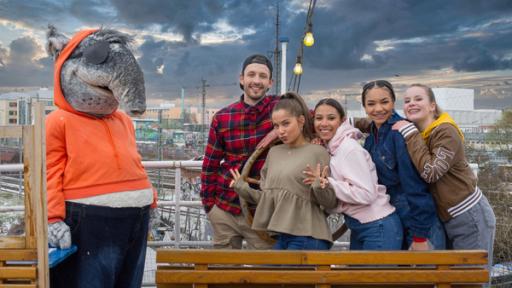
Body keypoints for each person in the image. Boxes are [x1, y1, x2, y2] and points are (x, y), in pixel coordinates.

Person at [45, 26, 156, 287]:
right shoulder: (58, 121)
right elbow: (49, 170)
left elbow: (134, 161)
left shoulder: (123, 120)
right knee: (92, 279)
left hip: (136, 215)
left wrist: (151, 199)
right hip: (89, 214)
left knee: (129, 280)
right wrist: (53, 218)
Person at [392, 84, 495, 265]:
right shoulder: (423, 133)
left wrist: (409, 133)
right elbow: (383, 119)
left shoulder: (445, 131)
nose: (411, 104)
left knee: (472, 280)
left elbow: (431, 172)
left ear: (432, 105)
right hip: (448, 217)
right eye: (407, 101)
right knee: (453, 280)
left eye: (418, 99)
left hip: (469, 215)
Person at [230, 92, 338, 250]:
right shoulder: (274, 153)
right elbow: (269, 198)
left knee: (279, 274)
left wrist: (319, 186)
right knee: (271, 273)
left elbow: (330, 202)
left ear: (301, 121)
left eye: (286, 124)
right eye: (276, 126)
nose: (280, 131)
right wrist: (243, 189)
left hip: (309, 235)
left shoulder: (318, 152)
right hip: (281, 236)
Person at [200, 54, 279, 249]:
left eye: (262, 76)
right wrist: (210, 206)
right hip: (225, 209)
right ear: (242, 79)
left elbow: (320, 118)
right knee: (223, 274)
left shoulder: (281, 110)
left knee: (264, 274)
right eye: (251, 75)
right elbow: (210, 165)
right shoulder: (223, 117)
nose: (256, 81)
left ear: (270, 83)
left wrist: (278, 129)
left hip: (262, 212)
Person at [305, 98, 402, 250]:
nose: (324, 123)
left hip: (378, 227)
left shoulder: (349, 149)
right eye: (319, 118)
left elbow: (367, 194)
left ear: (342, 121)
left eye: (331, 118)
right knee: (357, 273)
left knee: (372, 275)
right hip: (362, 225)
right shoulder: (334, 148)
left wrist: (329, 184)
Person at [361, 80, 446, 250]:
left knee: (427, 276)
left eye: (384, 102)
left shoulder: (400, 133)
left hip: (418, 223)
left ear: (393, 102)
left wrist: (420, 236)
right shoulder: (371, 137)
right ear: (364, 107)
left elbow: (416, 187)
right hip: (394, 219)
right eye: (371, 104)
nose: (378, 109)